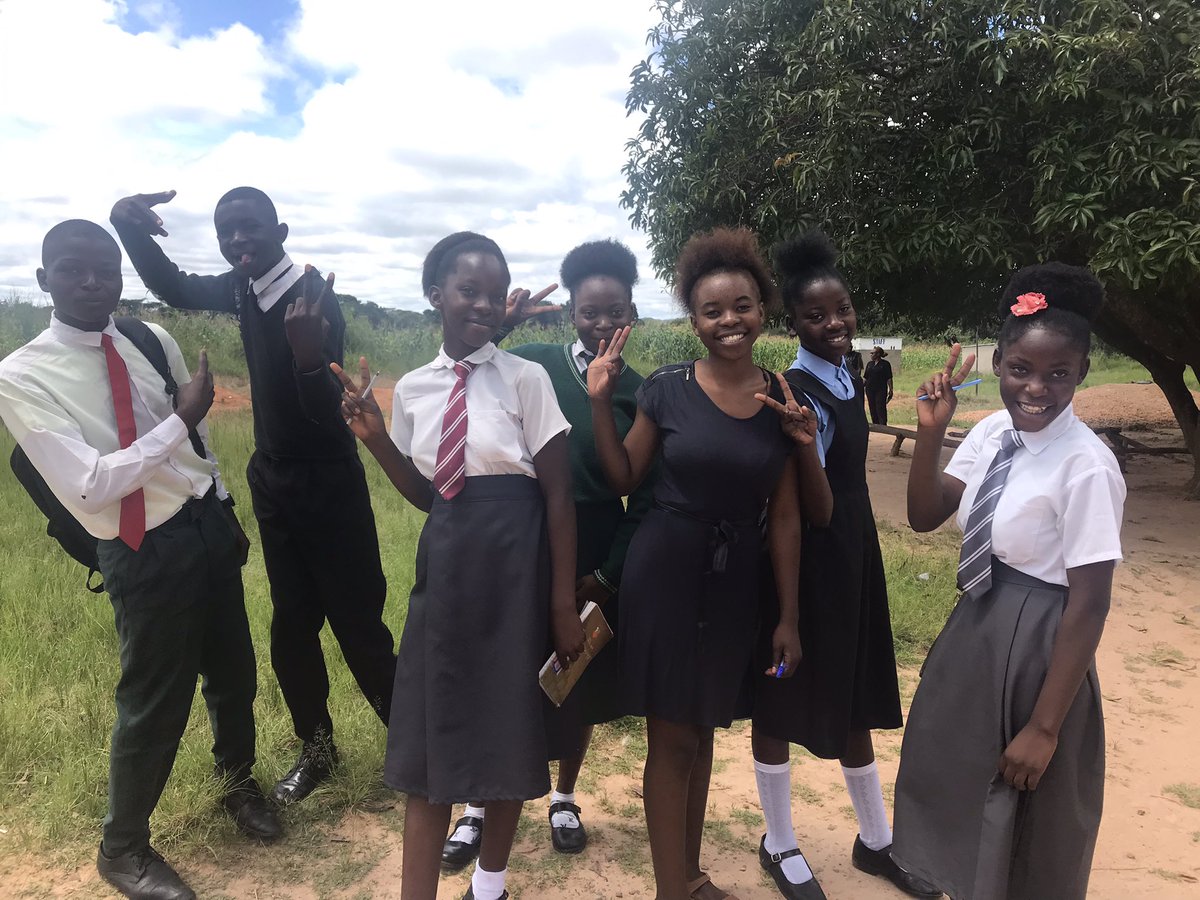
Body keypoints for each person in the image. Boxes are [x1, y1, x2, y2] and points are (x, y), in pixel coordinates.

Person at [0, 220, 280, 900]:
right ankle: (122, 849)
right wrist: (180, 420)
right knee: (153, 701)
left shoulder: (151, 339)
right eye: (73, 269)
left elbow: (199, 437)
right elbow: (91, 484)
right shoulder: (22, 375)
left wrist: (223, 506)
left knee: (234, 674)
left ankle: (237, 784)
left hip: (204, 526)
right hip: (141, 546)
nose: (93, 282)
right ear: (42, 280)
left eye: (106, 268)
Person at [110, 188, 395, 804]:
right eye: (226, 231)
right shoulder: (243, 287)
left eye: (250, 228)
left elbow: (327, 412)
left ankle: (412, 743)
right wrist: (127, 228)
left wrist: (307, 355)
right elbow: (175, 286)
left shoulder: (314, 299)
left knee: (356, 620)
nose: (238, 240)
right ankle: (317, 748)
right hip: (273, 478)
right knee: (292, 624)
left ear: (280, 231)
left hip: (329, 480)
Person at [334, 231, 586, 900]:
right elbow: (429, 494)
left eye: (493, 293)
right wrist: (376, 440)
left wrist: (561, 603)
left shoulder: (526, 379)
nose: (482, 304)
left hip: (517, 571)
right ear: (436, 295)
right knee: (432, 740)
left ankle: (490, 884)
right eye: (467, 290)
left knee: (507, 732)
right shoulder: (415, 388)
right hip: (446, 572)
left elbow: (559, 497)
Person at [588, 227, 810, 900]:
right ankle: (672, 890)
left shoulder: (780, 399)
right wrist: (599, 401)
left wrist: (789, 617)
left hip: (734, 579)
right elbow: (624, 474)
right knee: (673, 736)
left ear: (762, 309)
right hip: (666, 572)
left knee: (705, 728)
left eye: (741, 306)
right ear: (694, 320)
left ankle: (687, 875)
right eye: (712, 311)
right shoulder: (667, 388)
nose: (728, 320)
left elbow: (785, 516)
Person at [894, 263, 1124, 899]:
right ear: (998, 363)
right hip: (978, 624)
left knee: (1022, 808)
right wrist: (931, 433)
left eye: (1059, 374)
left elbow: (1090, 602)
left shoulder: (1087, 467)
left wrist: (1045, 727)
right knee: (957, 781)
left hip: (1041, 647)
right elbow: (923, 515)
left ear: (1082, 371)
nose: (1037, 389)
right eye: (1021, 369)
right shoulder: (993, 431)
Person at [440, 239, 654, 869]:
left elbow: (643, 494)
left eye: (615, 311)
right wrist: (504, 323)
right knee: (502, 669)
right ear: (571, 315)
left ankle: (564, 798)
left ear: (632, 313)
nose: (602, 323)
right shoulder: (533, 361)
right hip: (523, 533)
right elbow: (471, 361)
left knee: (573, 677)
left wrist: (608, 574)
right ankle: (477, 805)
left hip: (594, 542)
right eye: (589, 312)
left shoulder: (641, 391)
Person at [751, 232, 938, 900]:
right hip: (804, 560)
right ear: (793, 325)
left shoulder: (847, 377)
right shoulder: (794, 390)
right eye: (815, 316)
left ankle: (875, 840)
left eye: (842, 310)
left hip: (854, 554)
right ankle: (778, 842)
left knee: (855, 688)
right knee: (779, 692)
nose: (834, 324)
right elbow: (810, 506)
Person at [863, 346, 893, 425]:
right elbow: (865, 377)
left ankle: (883, 425)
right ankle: (875, 425)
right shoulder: (870, 364)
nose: (871, 355)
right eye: (870, 353)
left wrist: (891, 389)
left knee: (880, 407)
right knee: (872, 407)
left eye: (872, 353)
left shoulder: (885, 364)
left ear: (878, 354)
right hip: (870, 389)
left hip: (880, 389)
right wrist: (861, 386)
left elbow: (889, 378)